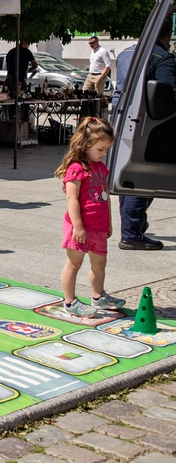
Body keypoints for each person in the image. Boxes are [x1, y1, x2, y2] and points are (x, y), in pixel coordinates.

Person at [114, 24, 176, 251]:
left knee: (127, 173)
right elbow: (167, 93)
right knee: (144, 175)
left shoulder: (125, 53)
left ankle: (132, 226)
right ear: (165, 35)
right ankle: (131, 233)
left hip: (120, 116)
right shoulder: (162, 57)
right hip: (147, 121)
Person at [55, 116, 124, 317]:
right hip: (80, 227)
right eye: (100, 149)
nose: (103, 154)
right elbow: (72, 199)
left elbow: (105, 197)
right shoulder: (77, 169)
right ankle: (70, 302)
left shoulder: (101, 168)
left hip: (98, 227)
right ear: (86, 144)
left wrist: (109, 222)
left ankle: (98, 295)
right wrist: (78, 227)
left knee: (99, 262)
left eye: (106, 150)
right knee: (74, 263)